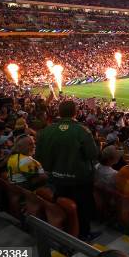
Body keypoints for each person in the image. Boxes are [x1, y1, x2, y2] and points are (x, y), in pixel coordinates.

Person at [36, 100, 99, 241]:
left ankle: (67, 227)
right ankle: (84, 233)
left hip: (55, 178)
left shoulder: (46, 131)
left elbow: (38, 155)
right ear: (75, 112)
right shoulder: (82, 130)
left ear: (59, 112)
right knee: (82, 207)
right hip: (79, 179)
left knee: (62, 204)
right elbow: (93, 155)